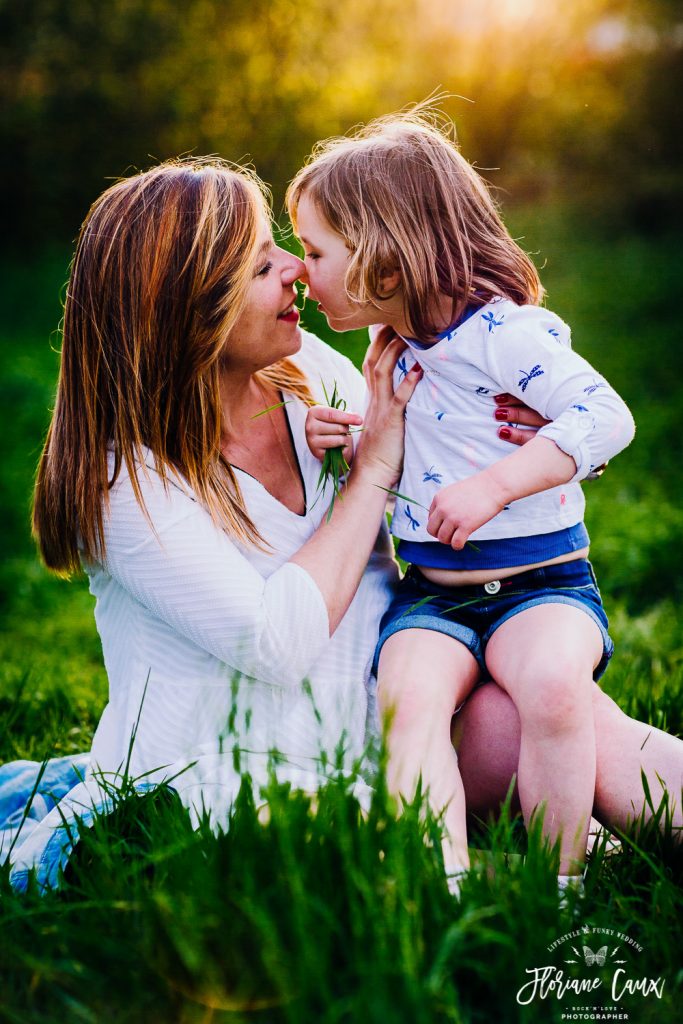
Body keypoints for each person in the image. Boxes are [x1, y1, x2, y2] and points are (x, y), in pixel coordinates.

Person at [8, 154, 681, 892]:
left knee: (570, 711)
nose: (294, 268)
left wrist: (542, 441)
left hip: (396, 731)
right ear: (186, 306)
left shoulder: (308, 378)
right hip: (236, 781)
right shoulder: (125, 479)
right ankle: (491, 874)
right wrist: (371, 473)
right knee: (390, 845)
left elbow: (453, 435)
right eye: (259, 263)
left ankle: (536, 852)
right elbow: (276, 640)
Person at [289, 109, 637, 892]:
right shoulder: (395, 347)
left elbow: (607, 416)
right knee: (405, 697)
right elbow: (435, 440)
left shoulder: (507, 336)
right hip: (433, 598)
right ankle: (437, 882)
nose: (300, 270)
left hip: (540, 586)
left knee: (552, 689)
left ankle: (557, 886)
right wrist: (353, 435)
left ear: (383, 256)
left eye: (315, 252)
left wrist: (498, 484)